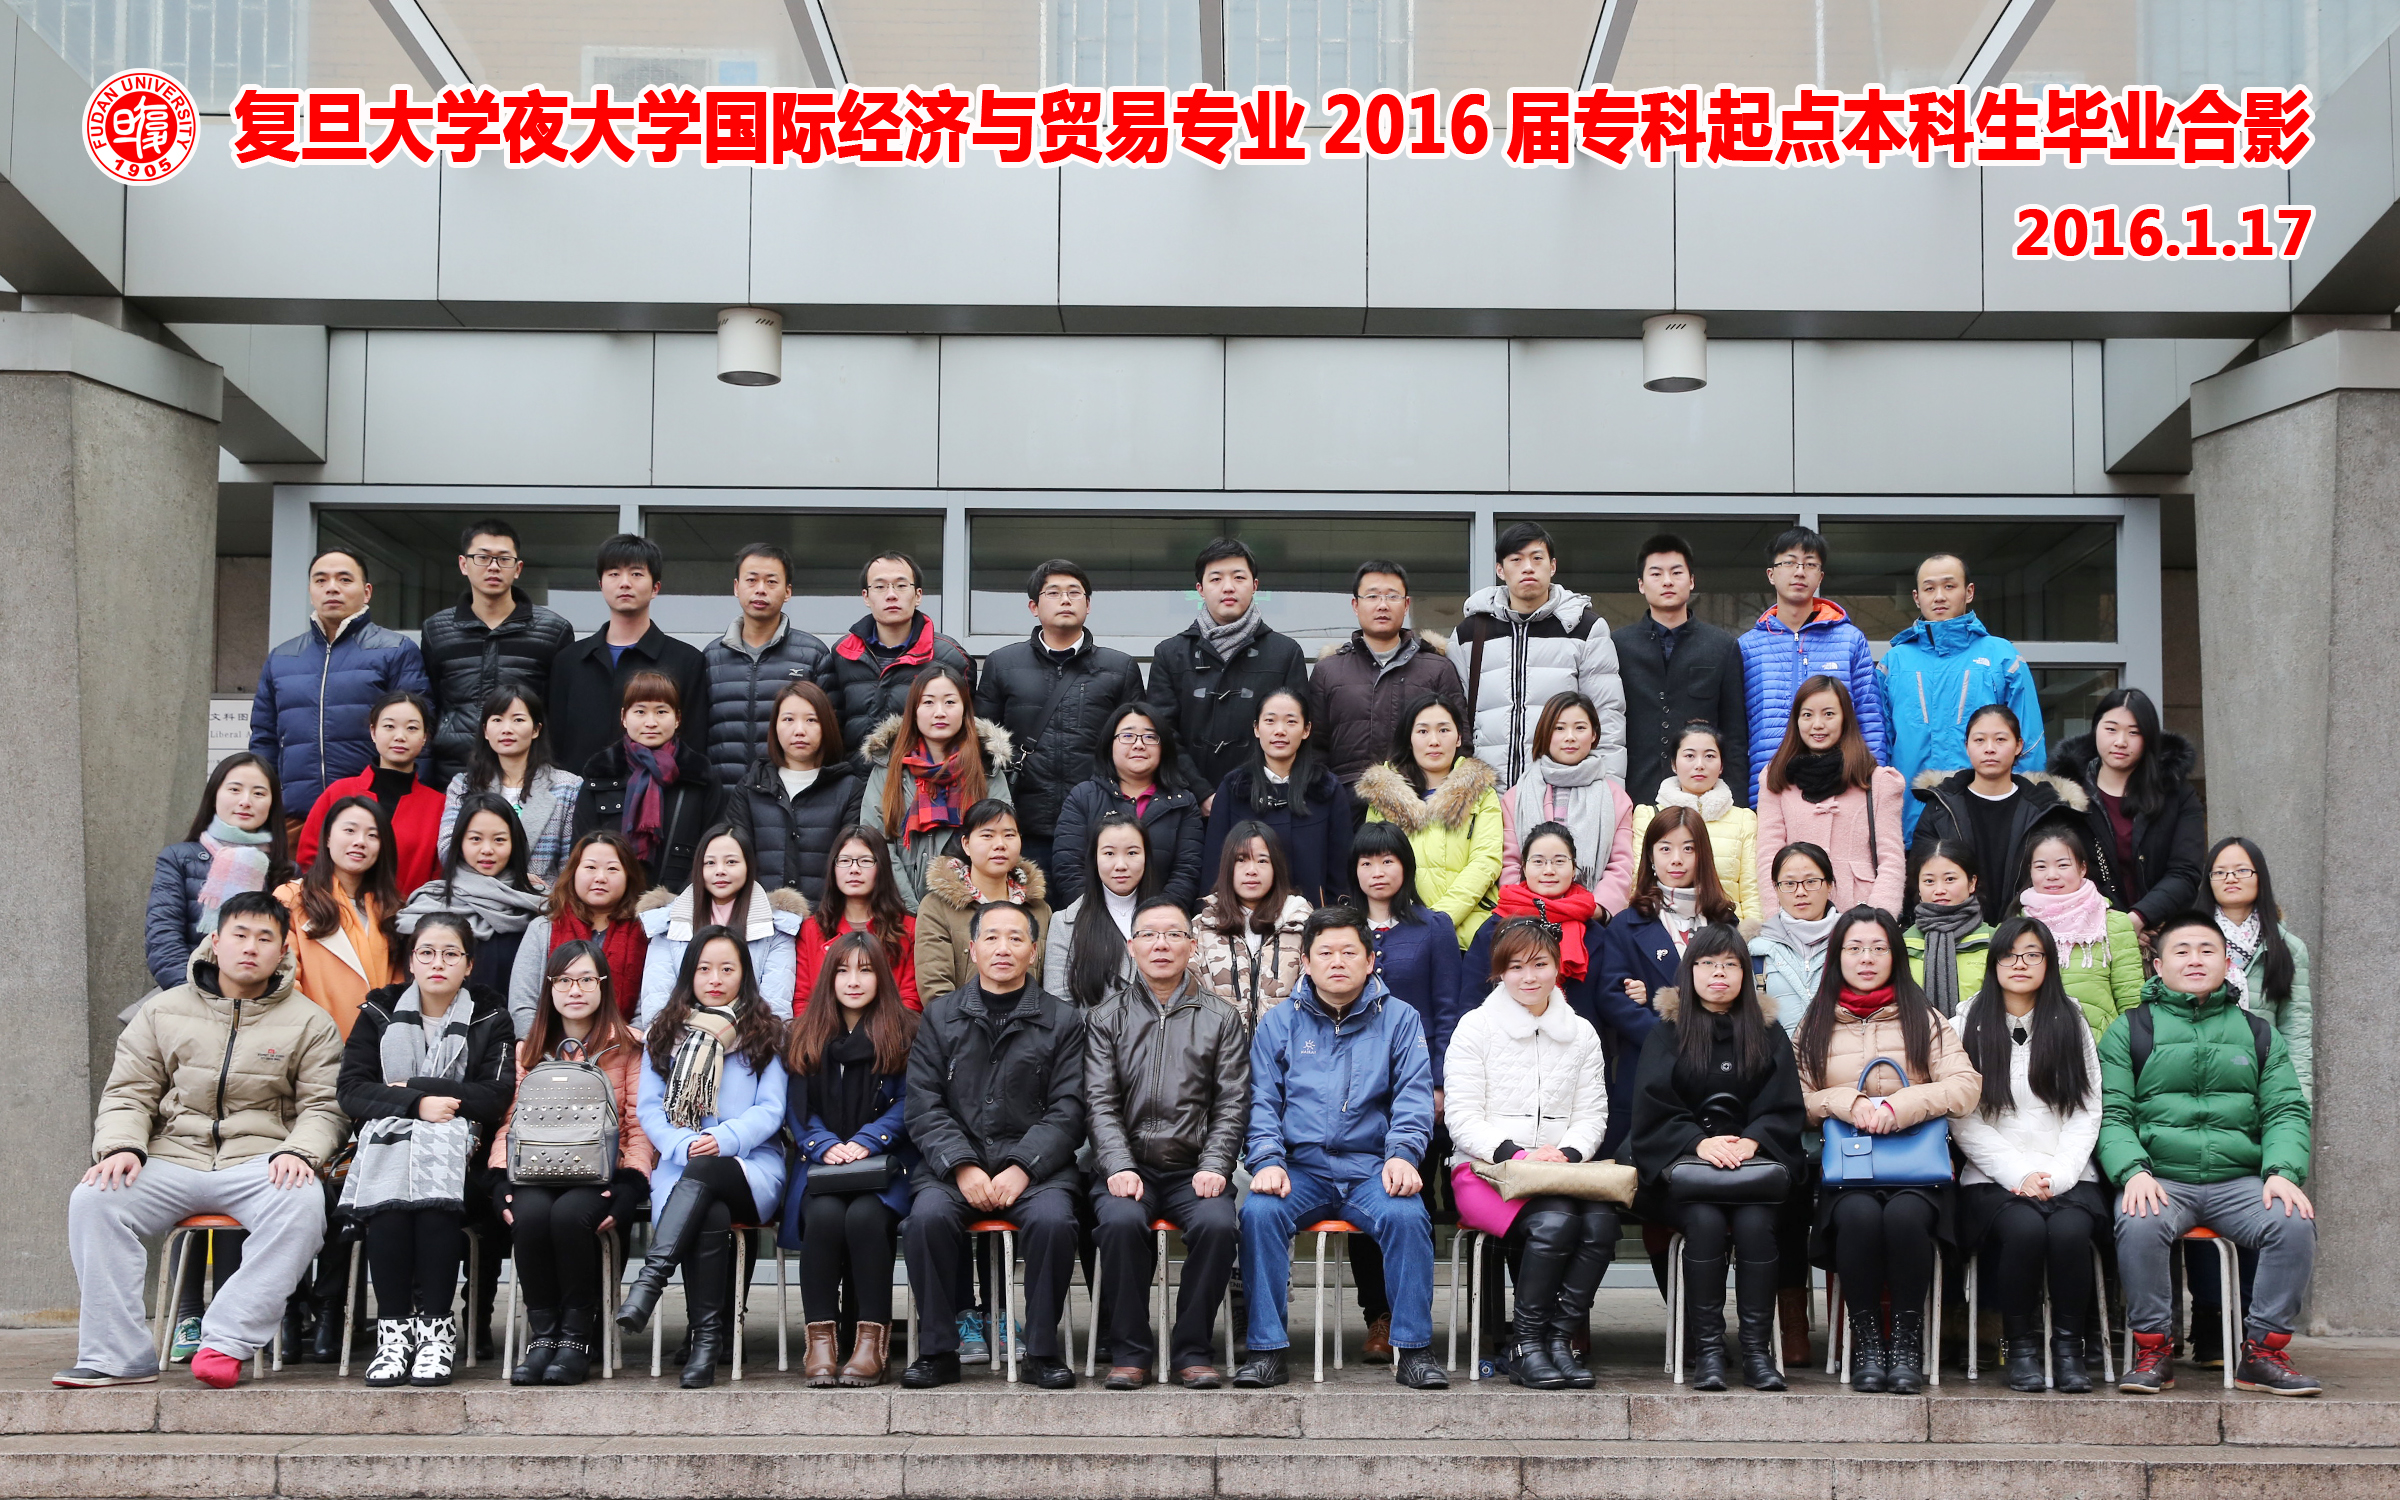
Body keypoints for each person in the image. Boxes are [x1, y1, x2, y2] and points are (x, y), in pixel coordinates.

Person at [54, 894, 344, 1391]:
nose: (250, 947)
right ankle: (115, 1356)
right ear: (215, 941)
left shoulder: (311, 1021)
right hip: (172, 1157)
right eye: (239, 935)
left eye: (265, 938)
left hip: (261, 1160)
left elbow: (324, 1106)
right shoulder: (162, 1011)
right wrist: (122, 1146)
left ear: (283, 951)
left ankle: (225, 1342)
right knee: (94, 1200)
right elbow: (128, 1093)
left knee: (302, 1204)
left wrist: (300, 1152)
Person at [2104, 913, 2319, 1397]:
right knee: (2138, 1222)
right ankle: (2154, 1351)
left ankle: (2263, 1354)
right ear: (2158, 966)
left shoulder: (2257, 1032)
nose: (2195, 960)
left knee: (2292, 1221)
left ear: (2227, 963)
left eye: (2207, 950)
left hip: (2238, 1181)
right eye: (2181, 951)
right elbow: (2112, 1112)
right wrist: (2132, 1171)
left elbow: (2285, 1109)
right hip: (2161, 1179)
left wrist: (2282, 1171)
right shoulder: (2130, 1029)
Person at [1235, 907, 1443, 1389]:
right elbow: (1260, 1100)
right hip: (1300, 1169)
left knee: (1408, 1216)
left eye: (1350, 952)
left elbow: (1413, 1097)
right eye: (1325, 952)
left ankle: (1414, 1349)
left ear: (1370, 960)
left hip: (1371, 1167)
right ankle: (1266, 1350)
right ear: (1306, 962)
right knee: (1260, 1214)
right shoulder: (1280, 1023)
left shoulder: (1400, 1019)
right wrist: (1266, 1159)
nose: (1337, 962)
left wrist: (1403, 1155)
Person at [898, 902, 1089, 1389]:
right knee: (926, 1220)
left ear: (1033, 951)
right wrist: (961, 1166)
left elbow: (1070, 1109)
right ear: (972, 948)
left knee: (1054, 1222)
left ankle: (1041, 1351)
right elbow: (923, 1104)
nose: (1003, 948)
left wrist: (1023, 1166)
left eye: (1015, 938)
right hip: (955, 1168)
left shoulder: (1062, 1020)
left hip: (1036, 1170)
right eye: (992, 937)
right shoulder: (940, 1016)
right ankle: (938, 1350)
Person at [1793, 906, 1980, 1395]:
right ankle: (1868, 1343)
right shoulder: (1815, 1023)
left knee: (1903, 1218)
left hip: (1917, 1171)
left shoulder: (1924, 1018)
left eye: (1878, 948)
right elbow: (1793, 1100)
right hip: (1849, 1171)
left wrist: (1902, 1105)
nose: (1866, 958)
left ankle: (1906, 1343)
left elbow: (1965, 1087)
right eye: (1855, 948)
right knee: (1856, 1217)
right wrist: (1845, 1102)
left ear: (1895, 955)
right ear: (1838, 957)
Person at [336, 912, 515, 1387]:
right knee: (392, 1193)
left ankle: (436, 1333)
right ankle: (395, 1336)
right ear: (411, 961)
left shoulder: (490, 1016)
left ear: (468, 965)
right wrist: (418, 1106)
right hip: (388, 1153)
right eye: (427, 953)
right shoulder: (378, 1011)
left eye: (451, 954)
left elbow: (495, 1096)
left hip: (468, 1163)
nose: (438, 963)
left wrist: (412, 1086)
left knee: (432, 1194)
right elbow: (351, 1091)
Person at [1627, 923, 1806, 1392]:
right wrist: (1698, 1142)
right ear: (1690, 972)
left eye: (1730, 964)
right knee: (1704, 1222)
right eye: (1707, 964)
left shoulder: (1767, 1032)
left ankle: (1756, 1352)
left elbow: (1784, 1104)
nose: (1719, 973)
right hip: (1684, 1173)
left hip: (1751, 1170)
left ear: (1746, 973)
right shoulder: (1667, 1032)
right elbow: (1652, 1106)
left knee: (1755, 1224)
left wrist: (1753, 1140)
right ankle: (1707, 1350)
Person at [1086, 894, 1250, 1389]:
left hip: (1193, 1168)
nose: (1161, 945)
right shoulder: (1105, 1017)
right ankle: (1131, 1350)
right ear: (1131, 946)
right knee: (1119, 1223)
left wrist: (1216, 1164)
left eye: (1173, 934)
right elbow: (1099, 1102)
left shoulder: (1222, 1017)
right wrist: (1117, 1164)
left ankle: (1192, 1348)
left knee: (1218, 1225)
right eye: (1149, 935)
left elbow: (1232, 1101)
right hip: (1127, 1167)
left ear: (1191, 945)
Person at [616, 928, 791, 1389]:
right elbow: (649, 1109)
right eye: (704, 969)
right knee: (708, 1210)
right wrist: (681, 1145)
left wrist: (724, 1139)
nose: (715, 978)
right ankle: (709, 1340)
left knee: (707, 1172)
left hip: (750, 1166)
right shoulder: (665, 1033)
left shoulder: (766, 1033)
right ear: (689, 975)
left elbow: (771, 1109)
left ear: (743, 974)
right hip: (682, 1163)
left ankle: (651, 1281)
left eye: (727, 969)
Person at [1444, 917, 1613, 1391]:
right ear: (1499, 972)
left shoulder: (1581, 1032)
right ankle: (1526, 1345)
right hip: (1484, 1170)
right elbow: (1462, 1116)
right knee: (1555, 1222)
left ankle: (1558, 1341)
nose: (1528, 976)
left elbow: (1592, 1113)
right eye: (1515, 966)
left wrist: (1567, 1155)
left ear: (1558, 966)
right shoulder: (1475, 1027)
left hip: (1560, 1171)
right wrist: (1518, 1156)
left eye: (1539, 964)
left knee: (1602, 1224)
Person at [1950, 917, 2104, 1394]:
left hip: (2067, 1174)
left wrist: (2058, 1175)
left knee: (2070, 1230)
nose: (2020, 964)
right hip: (1992, 1179)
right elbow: (1962, 1117)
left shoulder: (2071, 1020)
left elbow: (2087, 1108)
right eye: (2009, 954)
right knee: (2023, 1229)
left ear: (2048, 962)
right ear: (1993, 962)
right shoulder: (1965, 1023)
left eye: (2032, 954)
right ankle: (2020, 1349)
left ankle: (2069, 1350)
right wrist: (2019, 1173)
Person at [491, 941, 654, 1386]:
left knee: (568, 1217)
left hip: (601, 1171)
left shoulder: (628, 1047)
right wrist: (499, 1178)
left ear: (604, 985)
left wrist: (631, 1183)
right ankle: (544, 1336)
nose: (575, 990)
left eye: (586, 979)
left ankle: (578, 1338)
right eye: (563, 980)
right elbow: (510, 1122)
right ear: (549, 988)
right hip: (535, 1170)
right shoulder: (530, 1049)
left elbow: (639, 1125)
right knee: (528, 1216)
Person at [779, 931, 920, 1388]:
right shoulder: (804, 1032)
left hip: (885, 1164)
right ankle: (821, 1343)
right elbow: (797, 1107)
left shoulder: (907, 1031)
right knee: (822, 1216)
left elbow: (912, 1100)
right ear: (828, 978)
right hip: (822, 1165)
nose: (853, 981)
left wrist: (868, 1140)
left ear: (882, 976)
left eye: (865, 970)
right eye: (842, 971)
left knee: (864, 1217)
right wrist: (823, 1145)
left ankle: (870, 1346)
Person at [975, 559, 1144, 873]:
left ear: (1088, 605)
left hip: (1099, 823)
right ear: (1033, 607)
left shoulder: (1119, 668)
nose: (1065, 600)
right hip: (1020, 824)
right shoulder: (1002, 664)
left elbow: (1138, 747)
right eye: (1053, 593)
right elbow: (980, 745)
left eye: (1074, 592)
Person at [249, 547, 430, 823]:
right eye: (321, 580)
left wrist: (409, 809)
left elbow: (420, 736)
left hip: (374, 817)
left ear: (367, 592)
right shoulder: (282, 658)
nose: (332, 588)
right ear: (310, 590)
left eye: (344, 579)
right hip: (296, 816)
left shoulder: (396, 650)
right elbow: (264, 739)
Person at [1598, 808, 1738, 1157]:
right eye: (1665, 848)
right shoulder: (1627, 924)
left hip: (1715, 1067)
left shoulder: (1724, 922)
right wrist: (1667, 1038)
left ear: (1703, 855)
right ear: (1650, 856)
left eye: (1688, 848)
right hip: (1649, 1067)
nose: (1677, 859)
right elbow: (1612, 997)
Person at [1881, 553, 2044, 842]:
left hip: (1987, 818)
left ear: (1969, 592)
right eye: (1929, 588)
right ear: (1917, 598)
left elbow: (2029, 742)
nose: (1939, 596)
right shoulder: (1894, 662)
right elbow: (1878, 745)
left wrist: (2026, 815)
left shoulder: (2002, 656)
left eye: (1949, 586)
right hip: (1909, 819)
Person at [1450, 521, 1626, 785]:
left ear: (1552, 566)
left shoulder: (1585, 629)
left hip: (1561, 790)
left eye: (1537, 558)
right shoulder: (1470, 633)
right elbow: (1453, 721)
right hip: (1487, 792)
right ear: (1500, 570)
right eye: (1516, 559)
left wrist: (1610, 792)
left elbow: (1606, 718)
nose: (1528, 567)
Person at [1144, 537, 1312, 797]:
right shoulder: (1170, 654)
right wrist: (1201, 793)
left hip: (1263, 800)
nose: (1228, 587)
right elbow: (1161, 733)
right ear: (1200, 589)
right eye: (1216, 579)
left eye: (1239, 577)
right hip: (1187, 801)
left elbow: (1296, 732)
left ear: (1254, 586)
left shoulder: (1286, 653)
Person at [419, 518, 574, 786]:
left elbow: (560, 711)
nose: (493, 567)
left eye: (504, 559)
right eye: (482, 558)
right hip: (454, 770)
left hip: (528, 774)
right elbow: (431, 704)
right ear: (463, 564)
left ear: (518, 568)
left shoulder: (553, 631)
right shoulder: (437, 630)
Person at [1739, 527, 1887, 803]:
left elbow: (1869, 718)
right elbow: (1739, 729)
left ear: (1820, 576)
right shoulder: (1748, 646)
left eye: (1809, 564)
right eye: (1789, 563)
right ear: (1771, 574)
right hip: (1771, 786)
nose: (1799, 572)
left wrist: (1873, 787)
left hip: (1841, 787)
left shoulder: (1849, 640)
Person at [2047, 687, 2207, 939]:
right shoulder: (2067, 794)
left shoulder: (2176, 794)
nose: (2121, 741)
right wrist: (2116, 923)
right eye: (2111, 729)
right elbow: (2060, 871)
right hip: (2089, 932)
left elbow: (2186, 871)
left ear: (2148, 738)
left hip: (2165, 931)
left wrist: (2140, 917)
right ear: (2095, 730)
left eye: (2134, 732)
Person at [545, 534, 709, 774]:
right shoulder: (569, 661)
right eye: (614, 574)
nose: (624, 583)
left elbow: (693, 746)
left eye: (636, 574)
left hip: (657, 792)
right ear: (600, 584)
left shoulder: (686, 661)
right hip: (579, 793)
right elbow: (554, 743)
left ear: (655, 588)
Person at [858, 664, 1012, 912]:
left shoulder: (987, 770)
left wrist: (962, 909)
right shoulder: (887, 769)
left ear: (965, 710)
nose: (939, 712)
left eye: (950, 702)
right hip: (897, 911)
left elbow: (998, 843)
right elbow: (874, 843)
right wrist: (912, 909)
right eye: (928, 702)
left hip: (970, 911)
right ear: (914, 711)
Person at [1906, 704, 2076, 925]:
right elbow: (1919, 874)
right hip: (1955, 930)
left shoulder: (2044, 809)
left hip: (2027, 929)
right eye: (1979, 740)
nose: (1989, 749)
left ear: (2018, 745)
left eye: (2000, 739)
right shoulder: (1940, 807)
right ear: (1966, 746)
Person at [1613, 535, 1750, 806]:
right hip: (1635, 795)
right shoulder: (1617, 646)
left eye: (1676, 572)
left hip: (1704, 798)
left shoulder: (1722, 646)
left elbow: (1734, 735)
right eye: (1656, 574)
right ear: (1641, 584)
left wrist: (1737, 804)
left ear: (1692, 581)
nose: (1667, 581)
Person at [1308, 560, 1468, 791]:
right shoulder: (1328, 671)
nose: (1382, 605)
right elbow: (1313, 750)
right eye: (1372, 596)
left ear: (1406, 605)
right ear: (1355, 605)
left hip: (1419, 802)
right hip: (1346, 802)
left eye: (1392, 596)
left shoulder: (1437, 668)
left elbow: (1461, 743)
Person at [1359, 695, 1504, 947]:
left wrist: (1439, 920)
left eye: (1444, 730)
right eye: (1423, 731)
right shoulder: (1384, 796)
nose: (1434, 741)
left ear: (1458, 738)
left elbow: (1486, 861)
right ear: (1409, 738)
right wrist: (1411, 926)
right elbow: (1374, 865)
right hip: (1399, 932)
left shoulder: (1481, 792)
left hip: (1469, 934)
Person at [1755, 676, 1906, 918]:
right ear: (1796, 720)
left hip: (1860, 913)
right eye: (1807, 715)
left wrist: (1879, 920)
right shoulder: (1776, 778)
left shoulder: (1877, 781)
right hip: (1796, 915)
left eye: (1829, 714)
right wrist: (1776, 917)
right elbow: (1768, 855)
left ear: (1845, 718)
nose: (1818, 725)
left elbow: (1891, 859)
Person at [147, 753, 292, 993]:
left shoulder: (286, 870)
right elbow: (163, 937)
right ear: (214, 795)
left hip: (261, 1001)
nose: (245, 801)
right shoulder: (178, 858)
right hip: (189, 995)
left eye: (258, 793)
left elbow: (290, 949)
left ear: (272, 804)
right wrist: (198, 995)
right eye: (235, 790)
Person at [636, 825, 805, 1025]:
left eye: (731, 862)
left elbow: (775, 1006)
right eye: (710, 863)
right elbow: (657, 1001)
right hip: (678, 1036)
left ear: (749, 865)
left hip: (753, 1036)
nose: (720, 871)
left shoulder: (776, 925)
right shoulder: (668, 922)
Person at [1200, 688, 1353, 907]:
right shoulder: (1234, 788)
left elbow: (1341, 869)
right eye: (1270, 721)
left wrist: (1335, 916)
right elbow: (1215, 865)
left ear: (1306, 730)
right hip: (1244, 918)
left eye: (1291, 722)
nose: (1280, 731)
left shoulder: (1326, 789)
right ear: (1256, 728)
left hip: (1314, 918)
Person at [570, 672, 719, 893]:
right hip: (611, 902)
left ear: (677, 718)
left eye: (661, 711)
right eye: (640, 711)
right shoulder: (601, 774)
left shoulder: (699, 776)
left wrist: (680, 902)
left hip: (681, 902)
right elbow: (581, 850)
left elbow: (714, 851)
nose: (651, 722)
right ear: (624, 717)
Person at [1462, 822, 1602, 1058]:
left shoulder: (1595, 932)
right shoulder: (1495, 928)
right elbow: (1471, 998)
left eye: (1559, 861)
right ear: (1524, 868)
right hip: (1505, 1054)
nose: (1549, 870)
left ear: (1574, 868)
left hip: (1577, 1052)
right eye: (1538, 861)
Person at [701, 542, 835, 788]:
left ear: (788, 591)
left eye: (771, 582)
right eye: (751, 580)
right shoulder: (712, 657)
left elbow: (831, 734)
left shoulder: (813, 654)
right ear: (736, 587)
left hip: (788, 795)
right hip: (723, 794)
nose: (760, 590)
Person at [1051, 703, 1206, 912]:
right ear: (1109, 744)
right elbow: (1068, 868)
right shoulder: (1083, 797)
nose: (1139, 744)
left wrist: (1155, 919)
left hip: (1160, 923)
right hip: (1091, 918)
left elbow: (1187, 872)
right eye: (1127, 736)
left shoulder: (1183, 802)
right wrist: (1099, 916)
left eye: (1150, 737)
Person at [723, 680, 864, 901]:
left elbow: (854, 863)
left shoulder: (849, 789)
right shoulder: (751, 786)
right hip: (761, 916)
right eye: (788, 719)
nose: (799, 730)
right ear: (774, 726)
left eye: (811, 720)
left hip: (826, 916)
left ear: (826, 726)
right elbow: (733, 857)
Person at [274, 795, 401, 1038]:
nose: (360, 842)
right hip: (314, 1042)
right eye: (350, 830)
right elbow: (284, 979)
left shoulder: (392, 910)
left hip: (378, 1046)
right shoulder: (293, 897)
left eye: (372, 835)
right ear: (328, 838)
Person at [826, 551, 977, 756]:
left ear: (918, 595)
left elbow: (966, 731)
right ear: (866, 597)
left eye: (901, 585)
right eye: (880, 587)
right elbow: (831, 725)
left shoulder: (951, 657)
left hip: (922, 774)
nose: (891, 595)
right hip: (854, 773)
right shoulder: (843, 652)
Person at [1498, 691, 1636, 912]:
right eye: (1559, 728)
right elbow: (1510, 862)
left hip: (1589, 914)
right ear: (1545, 733)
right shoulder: (1516, 797)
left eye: (1580, 728)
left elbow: (1620, 864)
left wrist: (1597, 909)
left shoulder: (1615, 797)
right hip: (1527, 913)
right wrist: (1521, 907)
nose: (1570, 737)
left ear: (1594, 734)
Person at [296, 690, 445, 895]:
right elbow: (310, 855)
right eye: (389, 726)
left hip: (410, 911)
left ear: (425, 737)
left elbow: (439, 874)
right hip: (336, 908)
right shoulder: (340, 792)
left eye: (412, 728)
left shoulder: (438, 806)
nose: (400, 736)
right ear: (373, 732)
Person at [396, 793, 548, 994]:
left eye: (499, 839)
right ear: (460, 842)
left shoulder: (534, 903)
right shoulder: (430, 901)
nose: (487, 849)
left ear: (514, 843)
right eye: (476, 839)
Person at [439, 686, 585, 889]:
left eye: (518, 720)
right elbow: (448, 848)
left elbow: (570, 862)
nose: (506, 729)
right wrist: (513, 878)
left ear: (536, 730)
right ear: (485, 731)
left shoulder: (568, 787)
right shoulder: (463, 784)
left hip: (540, 898)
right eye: (497, 720)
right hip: (474, 894)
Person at [508, 831, 650, 1036]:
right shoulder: (543, 929)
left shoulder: (646, 933)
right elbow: (523, 1002)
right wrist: (538, 1046)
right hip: (549, 1048)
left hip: (621, 1048)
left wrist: (624, 1043)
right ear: (573, 872)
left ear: (629, 876)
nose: (600, 878)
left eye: (612, 869)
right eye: (590, 867)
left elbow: (648, 1007)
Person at [2205, 836, 2312, 1103]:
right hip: (2200, 1081)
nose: (2230, 878)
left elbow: (2295, 1030)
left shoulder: (2288, 948)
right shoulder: (2189, 942)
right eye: (2220, 872)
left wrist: (2299, 1103)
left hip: (2263, 1082)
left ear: (2260, 877)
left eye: (2242, 870)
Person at [915, 799, 1053, 1005]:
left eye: (1009, 835)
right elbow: (935, 989)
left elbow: (1050, 987)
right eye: (987, 835)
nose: (1000, 844)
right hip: (958, 1022)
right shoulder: (937, 906)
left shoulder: (1039, 909)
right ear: (966, 844)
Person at [2014, 824, 2144, 1038]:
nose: (2052, 875)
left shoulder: (2112, 923)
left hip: (2101, 1046)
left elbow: (2131, 998)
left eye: (2063, 865)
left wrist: (2123, 1049)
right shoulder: (2015, 927)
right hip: (2032, 1046)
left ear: (2082, 868)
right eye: (2041, 866)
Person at [1633, 722, 1760, 921]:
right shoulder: (1648, 816)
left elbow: (1752, 890)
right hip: (1661, 927)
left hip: (1725, 929)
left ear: (1721, 765)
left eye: (1709, 756)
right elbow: (1637, 883)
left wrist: (1749, 932)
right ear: (1674, 764)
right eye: (1689, 756)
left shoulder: (1744, 819)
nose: (1699, 764)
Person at [1192, 822, 1312, 1031]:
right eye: (1241, 860)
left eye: (1262, 860)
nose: (1252, 871)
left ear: (1276, 867)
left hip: (1286, 1045)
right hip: (1220, 1047)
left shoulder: (1301, 924)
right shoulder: (1202, 927)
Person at [797, 828, 920, 1010]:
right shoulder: (812, 929)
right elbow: (802, 1001)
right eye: (845, 861)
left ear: (882, 867)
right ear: (833, 868)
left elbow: (911, 1001)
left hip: (890, 1026)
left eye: (865, 861)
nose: (854, 869)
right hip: (823, 1026)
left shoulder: (908, 928)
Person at [1046, 812, 1152, 1005]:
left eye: (1132, 853)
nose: (1121, 865)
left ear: (1146, 856)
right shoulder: (1065, 923)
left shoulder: (1170, 920)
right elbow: (1059, 1006)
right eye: (1109, 853)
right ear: (1094, 858)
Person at [1905, 841, 1993, 1020]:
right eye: (1929, 881)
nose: (1939, 890)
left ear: (1972, 883)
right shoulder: (1901, 944)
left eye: (1950, 879)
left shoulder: (1995, 940)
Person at [1750, 843, 1838, 1017]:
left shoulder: (1852, 943)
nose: (1800, 892)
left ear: (1829, 884)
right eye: (1789, 883)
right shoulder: (1757, 950)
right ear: (1776, 888)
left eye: (1811, 882)